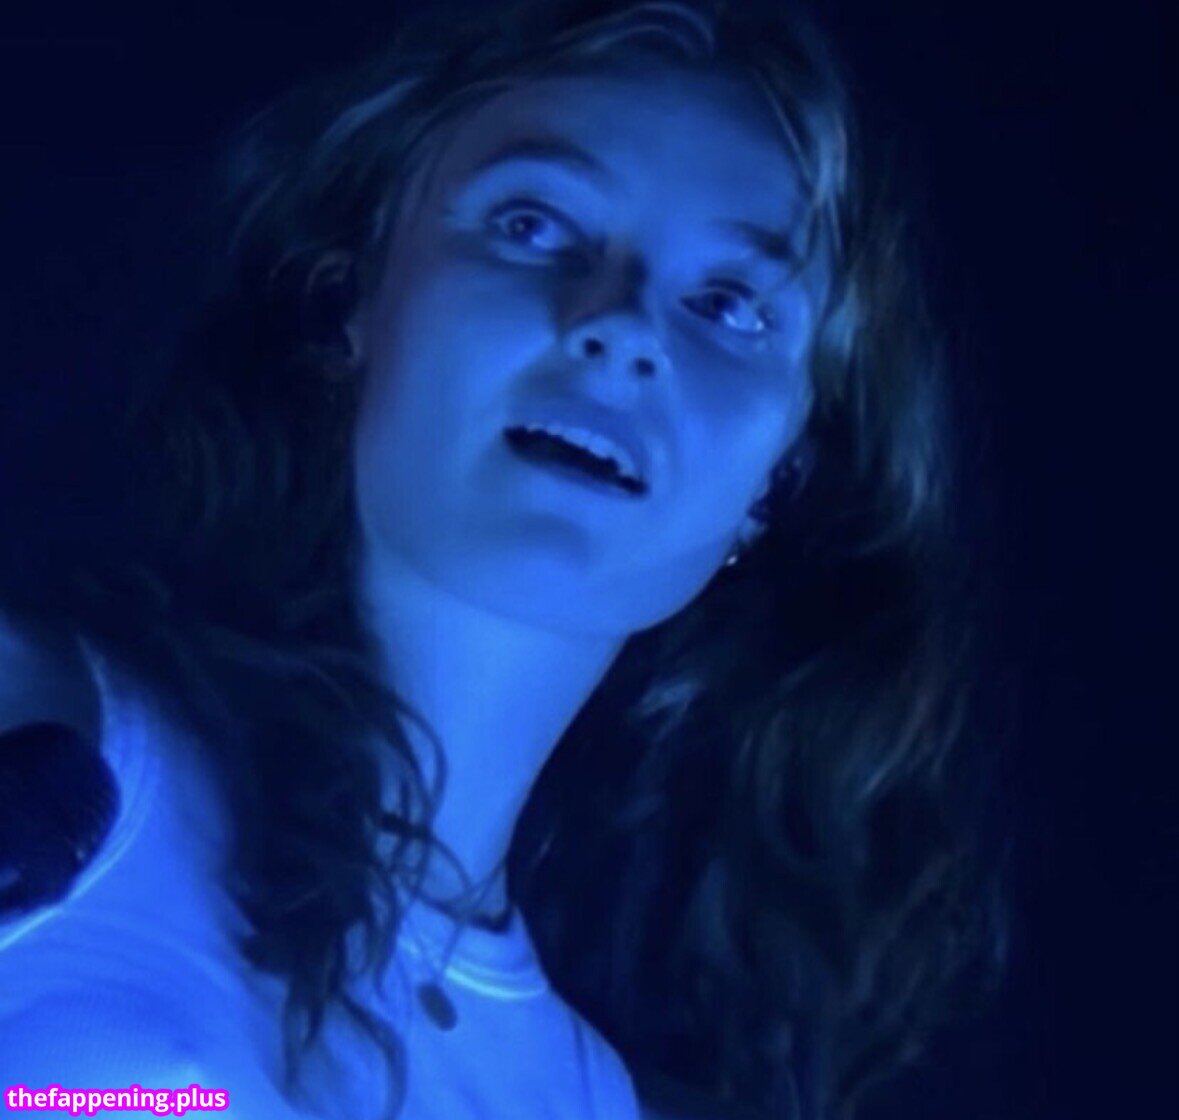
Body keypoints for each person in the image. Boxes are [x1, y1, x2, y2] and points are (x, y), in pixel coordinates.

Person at [0, 1, 1003, 1117]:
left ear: (779, 480)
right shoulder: (37, 724)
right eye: (533, 224)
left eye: (728, 306)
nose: (623, 327)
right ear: (349, 300)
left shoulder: (594, 1099)